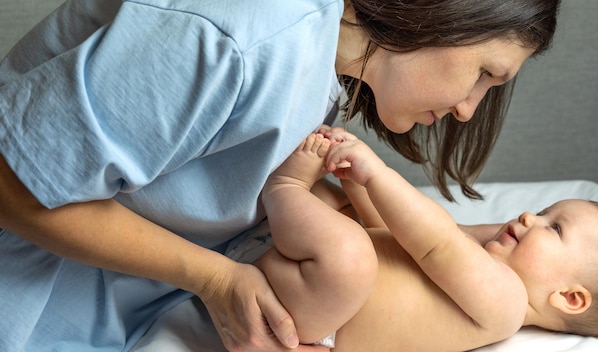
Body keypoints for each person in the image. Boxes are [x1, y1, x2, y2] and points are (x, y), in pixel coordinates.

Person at [0, 0, 560, 350]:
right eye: (485, 73)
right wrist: (217, 281)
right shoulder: (238, 37)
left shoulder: (318, 72)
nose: (468, 110)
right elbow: (13, 184)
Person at [249, 130, 598, 351]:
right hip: (311, 284)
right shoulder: (485, 264)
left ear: (569, 298)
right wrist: (354, 181)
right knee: (336, 204)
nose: (530, 217)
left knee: (349, 254)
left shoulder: (507, 303)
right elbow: (399, 232)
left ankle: (285, 187)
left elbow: (436, 241)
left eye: (554, 228)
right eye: (544, 211)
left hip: (323, 311)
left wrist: (376, 174)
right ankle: (280, 206)